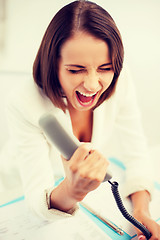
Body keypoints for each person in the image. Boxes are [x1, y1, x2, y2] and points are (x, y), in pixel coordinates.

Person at [1, 0, 160, 239]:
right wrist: (70, 191)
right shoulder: (24, 101)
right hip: (16, 194)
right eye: (76, 70)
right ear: (52, 64)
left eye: (105, 68)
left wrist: (140, 210)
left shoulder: (121, 79)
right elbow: (36, 199)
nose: (92, 85)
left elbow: (137, 154)